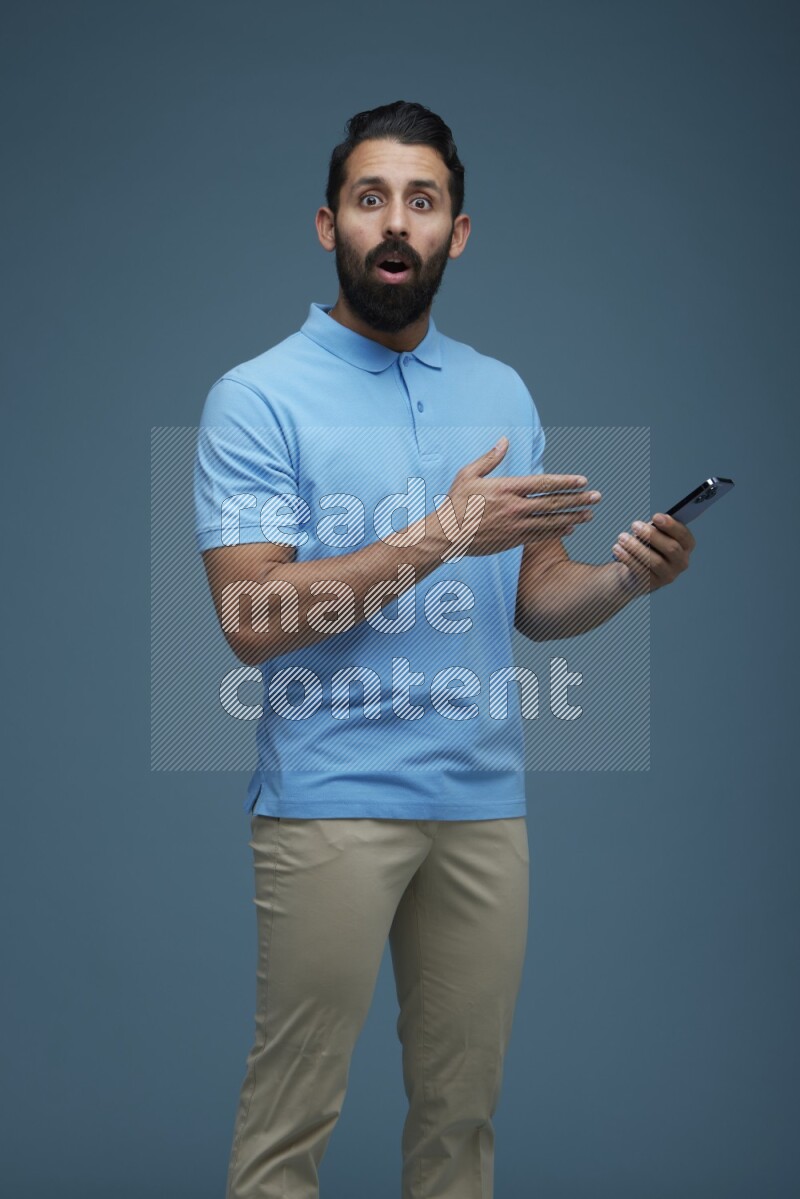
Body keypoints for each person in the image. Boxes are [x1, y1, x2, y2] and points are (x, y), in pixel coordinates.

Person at [193, 100, 696, 1199]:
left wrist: (622, 578)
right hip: (327, 801)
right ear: (327, 224)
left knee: (461, 1122)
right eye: (370, 197)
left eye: (421, 201)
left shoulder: (499, 390)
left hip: (482, 803)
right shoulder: (256, 398)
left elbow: (536, 596)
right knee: (291, 1123)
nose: (394, 221)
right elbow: (251, 619)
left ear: (455, 232)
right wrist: (440, 531)